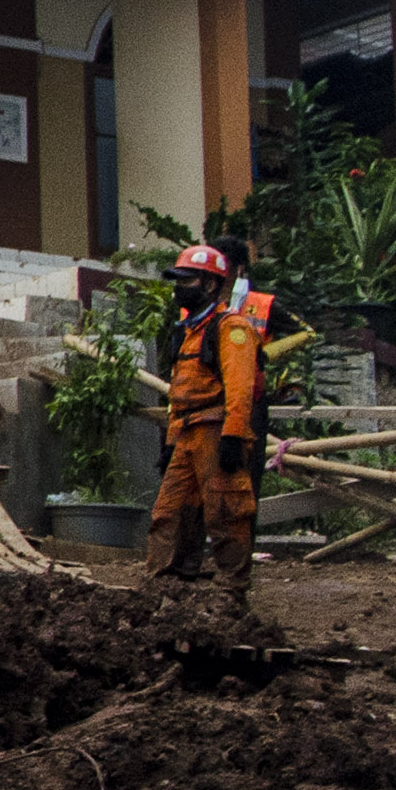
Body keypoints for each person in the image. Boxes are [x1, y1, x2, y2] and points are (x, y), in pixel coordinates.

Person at [148, 242, 264, 605]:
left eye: (188, 279)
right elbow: (178, 396)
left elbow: (240, 389)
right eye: (178, 279)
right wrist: (170, 442)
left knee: (226, 512)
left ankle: (231, 594)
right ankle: (166, 591)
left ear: (211, 285)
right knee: (170, 513)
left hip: (215, 432)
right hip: (186, 433)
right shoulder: (187, 332)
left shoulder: (231, 329)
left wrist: (232, 436)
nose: (180, 287)